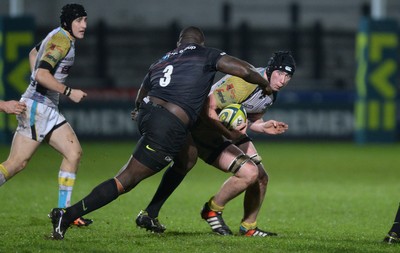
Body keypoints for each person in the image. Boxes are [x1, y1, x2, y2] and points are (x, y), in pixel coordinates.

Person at [48, 26, 274, 240]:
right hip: (168, 123)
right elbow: (245, 70)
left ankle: (150, 214)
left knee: (188, 158)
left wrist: (138, 110)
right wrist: (264, 84)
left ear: (179, 43)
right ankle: (66, 215)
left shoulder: (162, 60)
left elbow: (142, 91)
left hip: (150, 114)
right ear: (201, 43)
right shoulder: (206, 54)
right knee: (125, 180)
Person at [135, 51, 295, 236]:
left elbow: (247, 119)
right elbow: (206, 108)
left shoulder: (270, 93)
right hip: (202, 128)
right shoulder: (246, 82)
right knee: (249, 172)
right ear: (270, 69)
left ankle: (248, 227)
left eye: (288, 76)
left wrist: (263, 126)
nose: (283, 80)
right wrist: (229, 133)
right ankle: (212, 210)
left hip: (222, 130)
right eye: (280, 73)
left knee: (261, 177)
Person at [0, 3, 92, 227]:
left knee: (73, 153)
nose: (84, 25)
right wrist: (68, 91)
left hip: (46, 107)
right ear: (68, 22)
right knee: (16, 164)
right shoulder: (61, 41)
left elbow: (33, 53)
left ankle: (64, 214)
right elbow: (41, 73)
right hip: (37, 109)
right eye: (79, 20)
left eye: (85, 20)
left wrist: (40, 82)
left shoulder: (58, 35)